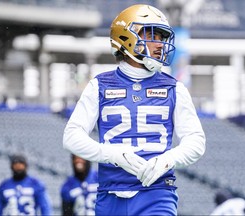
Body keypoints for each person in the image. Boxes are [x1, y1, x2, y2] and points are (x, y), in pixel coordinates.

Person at [63, 4, 206, 215]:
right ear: (126, 38)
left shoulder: (174, 87)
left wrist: (168, 160)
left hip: (157, 193)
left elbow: (196, 141)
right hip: (110, 194)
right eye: (152, 36)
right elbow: (71, 137)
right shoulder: (100, 85)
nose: (160, 45)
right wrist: (112, 154)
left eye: (162, 38)